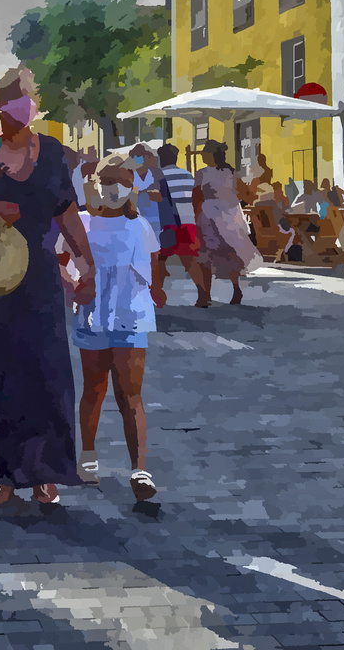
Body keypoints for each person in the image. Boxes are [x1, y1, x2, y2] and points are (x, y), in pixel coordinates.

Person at [0, 66, 95, 507]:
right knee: (0, 377)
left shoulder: (51, 156)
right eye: (14, 99)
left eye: (29, 98)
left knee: (49, 374)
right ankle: (3, 477)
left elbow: (67, 214)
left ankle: (46, 475)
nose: (22, 107)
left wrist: (87, 264)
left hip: (42, 279)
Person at [72, 152, 163, 501]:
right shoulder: (81, 223)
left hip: (131, 315)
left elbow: (153, 266)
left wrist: (152, 289)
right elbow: (62, 260)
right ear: (94, 184)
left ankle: (140, 469)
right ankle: (89, 455)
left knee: (131, 393)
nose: (115, 188)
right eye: (107, 180)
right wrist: (75, 284)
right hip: (91, 316)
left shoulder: (140, 225)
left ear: (132, 186)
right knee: (93, 389)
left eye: (123, 182)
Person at [195, 139, 260, 305]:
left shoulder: (202, 173)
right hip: (230, 214)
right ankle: (235, 288)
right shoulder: (231, 172)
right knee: (230, 252)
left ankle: (205, 294)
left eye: (205, 152)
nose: (202, 155)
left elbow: (196, 197)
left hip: (209, 214)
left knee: (207, 253)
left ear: (211, 155)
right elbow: (246, 193)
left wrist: (196, 217)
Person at [154, 143, 211, 308]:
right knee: (189, 260)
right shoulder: (187, 175)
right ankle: (202, 294)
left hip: (169, 223)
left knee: (160, 259)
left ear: (161, 158)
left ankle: (158, 296)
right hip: (187, 221)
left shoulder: (159, 175)